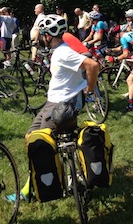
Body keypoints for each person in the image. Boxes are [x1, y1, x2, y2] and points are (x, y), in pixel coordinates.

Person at [11, 14, 99, 201]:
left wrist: (89, 91)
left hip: (61, 105)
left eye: (43, 34)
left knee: (41, 144)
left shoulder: (63, 53)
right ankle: (61, 175)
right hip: (53, 101)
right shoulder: (60, 50)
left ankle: (33, 189)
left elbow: (92, 65)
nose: (41, 37)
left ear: (48, 36)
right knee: (30, 136)